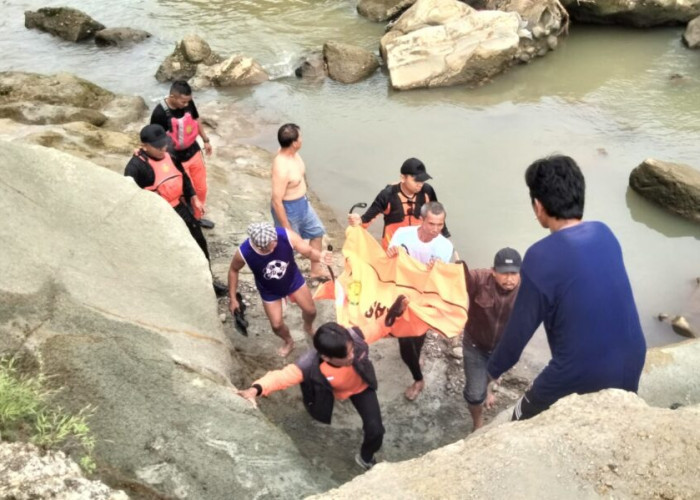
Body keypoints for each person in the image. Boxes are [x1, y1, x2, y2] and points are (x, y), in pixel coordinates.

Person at [487, 155, 647, 421]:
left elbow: (517, 334)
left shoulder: (540, 256)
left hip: (578, 371)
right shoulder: (605, 233)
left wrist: (491, 371)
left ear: (538, 206)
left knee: (516, 421)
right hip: (634, 357)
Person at [236, 296, 417, 471]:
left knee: (376, 431)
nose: (352, 356)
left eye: (352, 350)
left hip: (361, 388)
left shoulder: (356, 338)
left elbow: (379, 326)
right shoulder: (310, 366)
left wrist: (395, 312)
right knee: (319, 404)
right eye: (345, 356)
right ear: (326, 357)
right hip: (328, 391)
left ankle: (365, 458)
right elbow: (280, 377)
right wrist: (255, 390)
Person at [124, 124, 227, 296]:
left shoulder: (170, 155)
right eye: (158, 146)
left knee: (199, 241)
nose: (163, 148)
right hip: (157, 215)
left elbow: (183, 177)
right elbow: (129, 196)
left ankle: (208, 281)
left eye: (164, 144)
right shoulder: (135, 167)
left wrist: (193, 197)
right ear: (144, 146)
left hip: (178, 206)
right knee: (169, 250)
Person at [228, 222, 332, 357]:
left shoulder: (285, 235)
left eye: (275, 241)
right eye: (271, 247)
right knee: (276, 325)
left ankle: (308, 326)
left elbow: (309, 251)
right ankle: (288, 341)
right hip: (269, 290)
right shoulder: (244, 252)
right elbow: (233, 270)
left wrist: (320, 256)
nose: (275, 246)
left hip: (293, 280)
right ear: (259, 247)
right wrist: (233, 298)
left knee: (311, 311)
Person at [386, 201, 454, 401]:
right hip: (403, 293)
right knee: (405, 340)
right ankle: (418, 379)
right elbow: (389, 261)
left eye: (440, 224)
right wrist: (391, 254)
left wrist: (438, 269)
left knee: (419, 335)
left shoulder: (445, 246)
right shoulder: (402, 234)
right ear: (421, 220)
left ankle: (418, 354)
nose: (435, 229)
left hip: (425, 297)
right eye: (431, 223)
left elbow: (442, 280)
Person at [460, 248, 521, 431]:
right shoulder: (479, 279)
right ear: (493, 271)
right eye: (504, 273)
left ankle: (488, 389)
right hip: (475, 345)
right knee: (474, 395)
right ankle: (477, 423)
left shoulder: (528, 290)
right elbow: (456, 281)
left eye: (514, 273)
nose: (509, 279)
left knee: (489, 377)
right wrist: (456, 269)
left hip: (503, 350)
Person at [150, 80, 215, 229]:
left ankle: (198, 217)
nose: (186, 104)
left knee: (201, 188)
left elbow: (196, 120)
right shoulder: (159, 113)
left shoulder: (188, 103)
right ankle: (187, 220)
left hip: (194, 152)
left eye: (188, 101)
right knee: (185, 192)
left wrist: (205, 140)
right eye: (183, 101)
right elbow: (155, 140)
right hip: (176, 159)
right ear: (172, 97)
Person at [347, 157, 450, 250]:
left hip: (417, 247)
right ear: (403, 178)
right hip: (392, 249)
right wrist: (357, 221)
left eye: (422, 180)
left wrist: (445, 237)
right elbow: (366, 219)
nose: (420, 184)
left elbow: (437, 216)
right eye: (416, 180)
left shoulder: (427, 191)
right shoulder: (387, 195)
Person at [270, 123, 328, 279]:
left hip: (303, 203)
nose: (302, 139)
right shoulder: (281, 166)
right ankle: (284, 277)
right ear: (294, 143)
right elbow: (276, 200)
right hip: (288, 208)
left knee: (317, 232)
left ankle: (315, 270)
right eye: (300, 137)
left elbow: (301, 177)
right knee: (288, 244)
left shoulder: (293, 154)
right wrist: (286, 227)